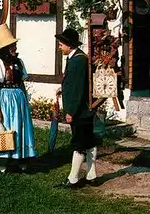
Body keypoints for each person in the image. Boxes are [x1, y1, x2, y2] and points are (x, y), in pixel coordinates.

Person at [0, 23, 37, 173]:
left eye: (14, 45)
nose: (14, 48)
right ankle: (3, 160)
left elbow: (22, 83)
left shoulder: (19, 63)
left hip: (18, 100)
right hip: (4, 100)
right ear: (5, 49)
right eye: (11, 46)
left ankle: (21, 158)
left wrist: (25, 100)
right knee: (5, 127)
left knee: (20, 127)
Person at [54, 27, 98, 189]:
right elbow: (72, 83)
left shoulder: (79, 60)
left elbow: (78, 88)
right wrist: (62, 88)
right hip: (83, 109)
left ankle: (73, 179)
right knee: (88, 141)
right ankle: (92, 175)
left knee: (79, 143)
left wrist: (71, 111)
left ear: (69, 45)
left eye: (61, 43)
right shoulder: (75, 58)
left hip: (80, 110)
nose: (59, 46)